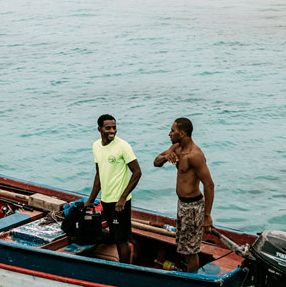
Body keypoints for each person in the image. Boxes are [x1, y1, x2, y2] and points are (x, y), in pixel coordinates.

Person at [153, 117, 214, 273]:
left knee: (190, 251)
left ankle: (193, 280)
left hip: (193, 207)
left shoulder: (195, 155)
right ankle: (189, 274)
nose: (169, 133)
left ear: (182, 133)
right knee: (183, 246)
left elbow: (209, 185)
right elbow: (156, 162)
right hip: (182, 204)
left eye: (172, 131)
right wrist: (166, 157)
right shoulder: (176, 148)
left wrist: (207, 216)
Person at [85, 114, 141, 263]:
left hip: (120, 203)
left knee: (121, 240)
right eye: (108, 128)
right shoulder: (96, 146)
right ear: (99, 129)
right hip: (106, 200)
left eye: (114, 127)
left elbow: (137, 172)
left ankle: (124, 271)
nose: (112, 131)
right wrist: (90, 200)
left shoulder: (123, 146)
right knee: (115, 235)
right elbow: (99, 175)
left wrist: (123, 198)